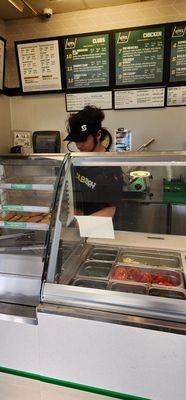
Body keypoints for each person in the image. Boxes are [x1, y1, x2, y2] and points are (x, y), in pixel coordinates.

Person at [64, 105, 123, 223]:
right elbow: (73, 199)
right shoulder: (77, 161)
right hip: (80, 228)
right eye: (76, 140)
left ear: (98, 135)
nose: (78, 145)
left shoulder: (111, 167)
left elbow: (110, 211)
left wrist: (80, 224)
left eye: (83, 140)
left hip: (101, 228)